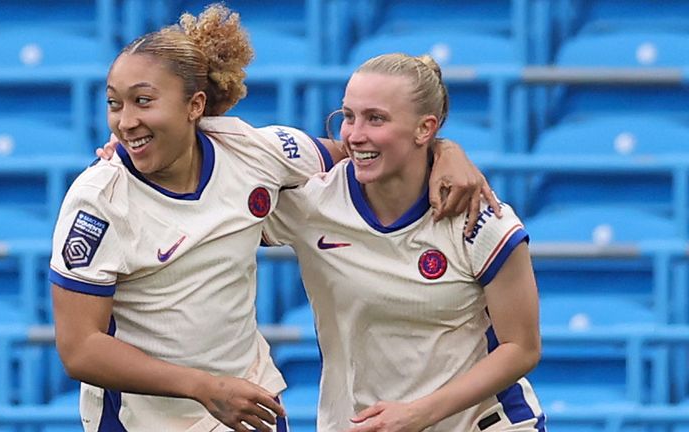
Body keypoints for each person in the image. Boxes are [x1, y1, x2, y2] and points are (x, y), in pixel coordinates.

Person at [51, 4, 497, 432]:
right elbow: (79, 350)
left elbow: (364, 151)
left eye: (143, 101)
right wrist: (204, 387)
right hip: (144, 420)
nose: (125, 122)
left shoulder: (254, 153)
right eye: (115, 104)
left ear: (195, 105)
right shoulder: (98, 203)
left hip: (248, 404)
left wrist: (446, 151)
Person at [261, 53, 545, 431]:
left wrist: (418, 414)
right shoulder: (314, 202)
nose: (355, 134)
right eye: (348, 116)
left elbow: (521, 348)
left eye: (375, 118)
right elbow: (219, 206)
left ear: (425, 128)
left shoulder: (480, 219)